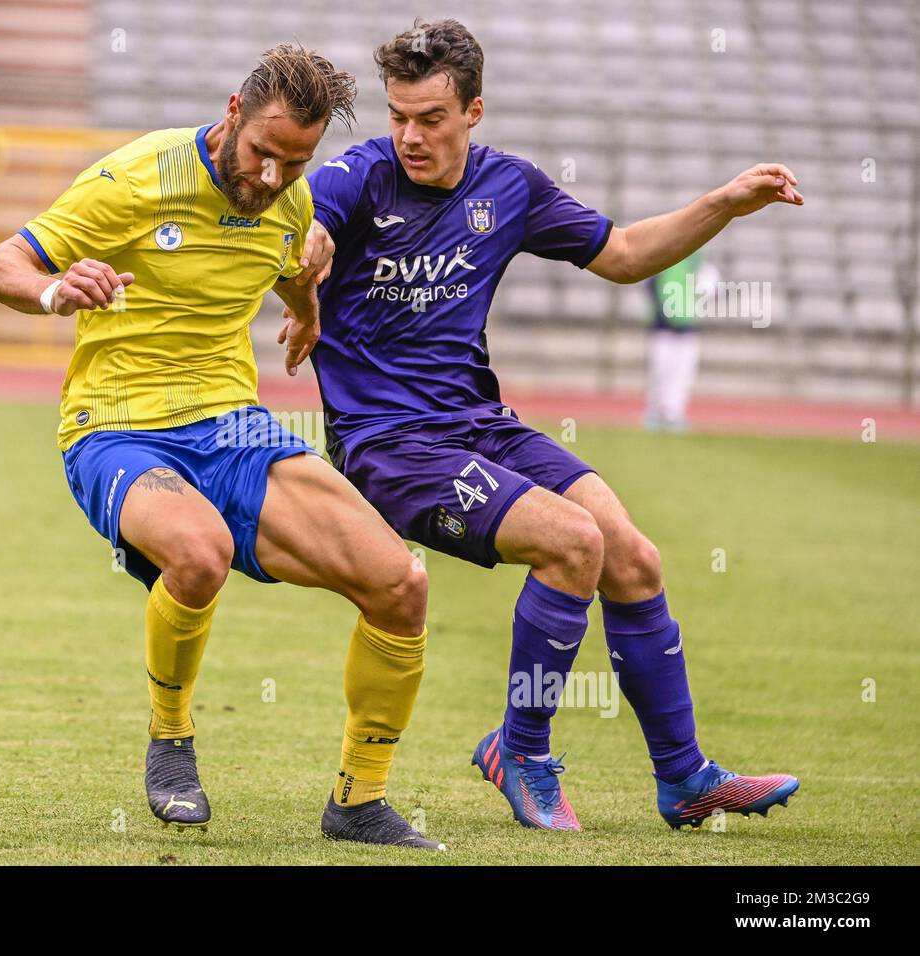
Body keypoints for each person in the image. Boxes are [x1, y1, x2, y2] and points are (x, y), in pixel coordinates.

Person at [293, 19, 801, 830]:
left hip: (477, 425)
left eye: (430, 118)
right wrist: (308, 267)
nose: (410, 136)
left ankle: (686, 779)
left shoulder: (511, 189)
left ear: (474, 111)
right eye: (398, 116)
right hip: (388, 444)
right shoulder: (361, 173)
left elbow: (626, 254)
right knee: (573, 543)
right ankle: (519, 750)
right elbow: (312, 226)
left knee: (631, 556)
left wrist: (723, 205)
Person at [0, 45, 444, 849]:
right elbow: (0, 268)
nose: (271, 178)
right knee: (201, 553)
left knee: (400, 583)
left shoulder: (289, 204)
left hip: (230, 425)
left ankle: (358, 802)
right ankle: (171, 739)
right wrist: (55, 290)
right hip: (115, 424)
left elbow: (293, 265)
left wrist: (305, 310)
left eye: (294, 164)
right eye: (264, 152)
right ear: (233, 113)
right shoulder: (133, 179)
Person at [644, 250, 718, 431]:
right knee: (661, 371)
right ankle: (656, 411)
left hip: (687, 329)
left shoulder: (701, 267)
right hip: (664, 329)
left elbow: (708, 290)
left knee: (682, 374)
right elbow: (653, 289)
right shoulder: (665, 262)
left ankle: (673, 413)